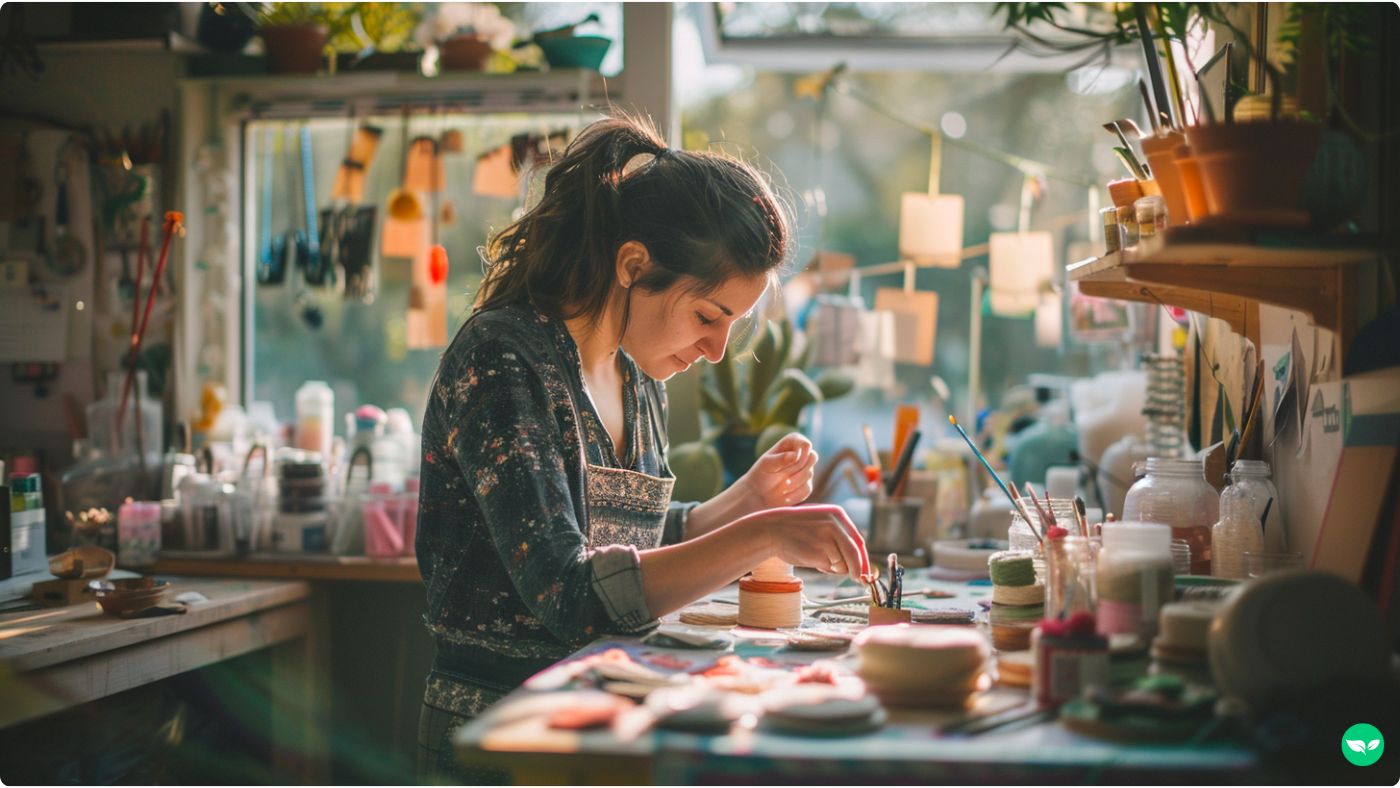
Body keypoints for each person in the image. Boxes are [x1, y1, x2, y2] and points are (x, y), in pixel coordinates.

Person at [415, 116, 868, 781]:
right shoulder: (504, 360)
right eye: (707, 316)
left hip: (614, 724)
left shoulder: (637, 376)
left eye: (731, 326)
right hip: (507, 736)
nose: (717, 350)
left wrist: (745, 503)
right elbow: (571, 593)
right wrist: (764, 533)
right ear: (633, 265)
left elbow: (631, 551)